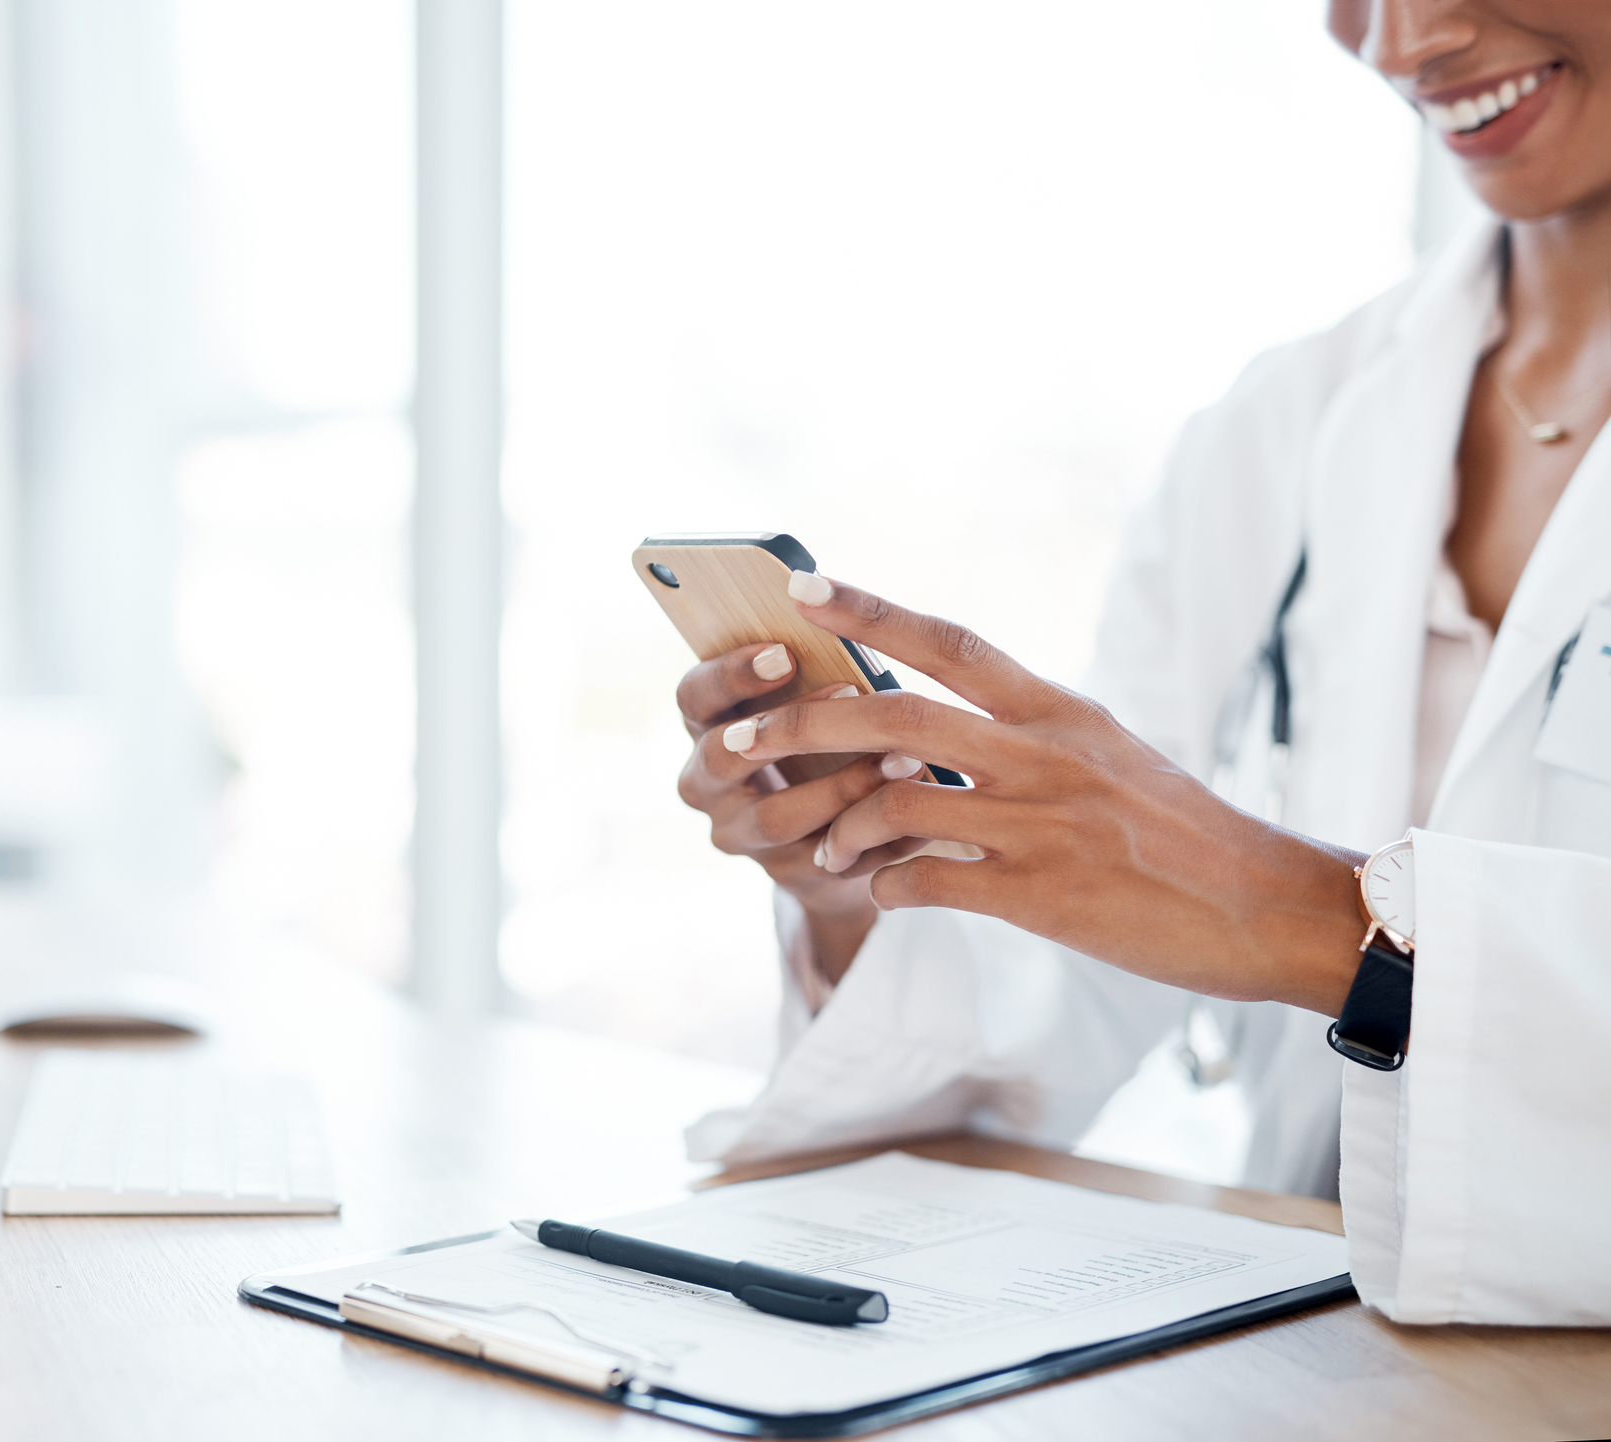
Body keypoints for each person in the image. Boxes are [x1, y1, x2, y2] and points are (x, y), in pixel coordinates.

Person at [671, 0, 1611, 1327]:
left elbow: (1234, 902)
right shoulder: (1285, 421)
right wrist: (870, 862)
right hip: (1313, 1354)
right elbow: (1101, 964)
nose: (1400, 41)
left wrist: (1316, 921)